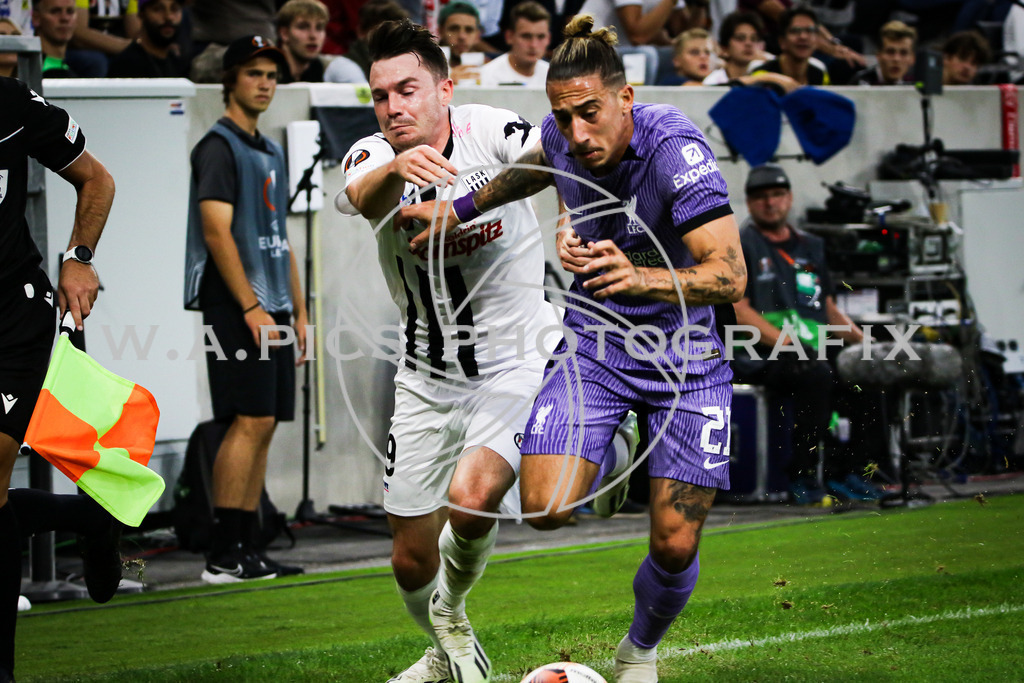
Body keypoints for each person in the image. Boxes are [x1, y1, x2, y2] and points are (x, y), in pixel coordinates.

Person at [402, 14, 746, 681]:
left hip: (687, 361)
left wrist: (639, 275)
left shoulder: (676, 149)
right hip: (596, 347)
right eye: (563, 115)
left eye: (590, 112)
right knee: (545, 508)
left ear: (627, 99)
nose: (577, 131)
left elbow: (730, 275)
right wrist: (458, 210)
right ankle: (613, 450)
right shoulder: (561, 138)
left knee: (674, 543)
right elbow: (528, 170)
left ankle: (637, 651)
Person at [334, 18, 564, 683]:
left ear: (444, 87)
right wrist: (398, 166)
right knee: (409, 559)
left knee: (472, 495)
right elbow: (360, 195)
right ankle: (443, 647)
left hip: (512, 357)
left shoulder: (489, 129)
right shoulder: (371, 155)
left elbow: (550, 158)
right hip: (425, 376)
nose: (394, 107)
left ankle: (454, 617)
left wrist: (461, 205)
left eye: (408, 89)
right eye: (381, 96)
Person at [0, 74, 119, 682]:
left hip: (10, 315)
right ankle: (88, 519)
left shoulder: (12, 104)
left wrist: (79, 258)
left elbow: (96, 179)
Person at [183, 35, 308, 584]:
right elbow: (217, 232)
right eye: (254, 73)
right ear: (229, 80)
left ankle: (247, 546)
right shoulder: (217, 146)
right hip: (237, 304)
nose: (265, 83)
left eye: (271, 75)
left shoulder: (271, 149)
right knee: (246, 419)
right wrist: (252, 306)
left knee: (265, 423)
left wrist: (298, 313)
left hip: (273, 305)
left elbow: (281, 237)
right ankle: (222, 553)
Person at [731, 164, 880, 505]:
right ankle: (802, 475)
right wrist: (790, 343)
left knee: (867, 373)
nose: (770, 203)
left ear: (789, 198)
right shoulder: (742, 244)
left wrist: (867, 345)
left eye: (777, 195)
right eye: (761, 197)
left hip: (810, 350)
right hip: (759, 354)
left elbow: (826, 307)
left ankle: (850, 473)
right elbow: (740, 310)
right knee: (815, 374)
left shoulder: (810, 246)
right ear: (751, 203)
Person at [702, 11, 799, 91]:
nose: (748, 43)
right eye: (740, 38)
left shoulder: (767, 71)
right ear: (725, 47)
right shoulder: (713, 80)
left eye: (754, 39)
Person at [107, 0, 188, 78]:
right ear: (141, 14)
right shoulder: (126, 64)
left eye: (174, 9)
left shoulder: (177, 63)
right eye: (158, 9)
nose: (168, 17)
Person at [479, 0, 550, 87]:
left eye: (541, 37)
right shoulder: (486, 76)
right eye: (526, 36)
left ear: (548, 39)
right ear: (509, 37)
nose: (533, 45)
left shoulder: (554, 76)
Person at [752, 6, 831, 86]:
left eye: (809, 30)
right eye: (795, 31)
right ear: (782, 41)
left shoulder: (820, 75)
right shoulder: (762, 75)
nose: (803, 37)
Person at [274, 0, 330, 83]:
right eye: (303, 27)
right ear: (284, 33)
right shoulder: (270, 68)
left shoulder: (318, 67)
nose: (313, 36)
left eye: (319, 28)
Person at [438, 1, 490, 84]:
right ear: (441, 31)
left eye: (469, 30)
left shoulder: (489, 67)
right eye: (454, 29)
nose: (462, 36)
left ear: (477, 35)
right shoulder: (424, 64)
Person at [850, 20, 915, 85]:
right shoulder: (861, 81)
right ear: (878, 55)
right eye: (890, 52)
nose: (896, 59)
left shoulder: (916, 84)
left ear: (912, 58)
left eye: (903, 53)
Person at [31, 0, 77, 77]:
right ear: (36, 18)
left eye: (70, 11)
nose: (65, 18)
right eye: (55, 11)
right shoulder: (30, 70)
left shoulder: (76, 67)